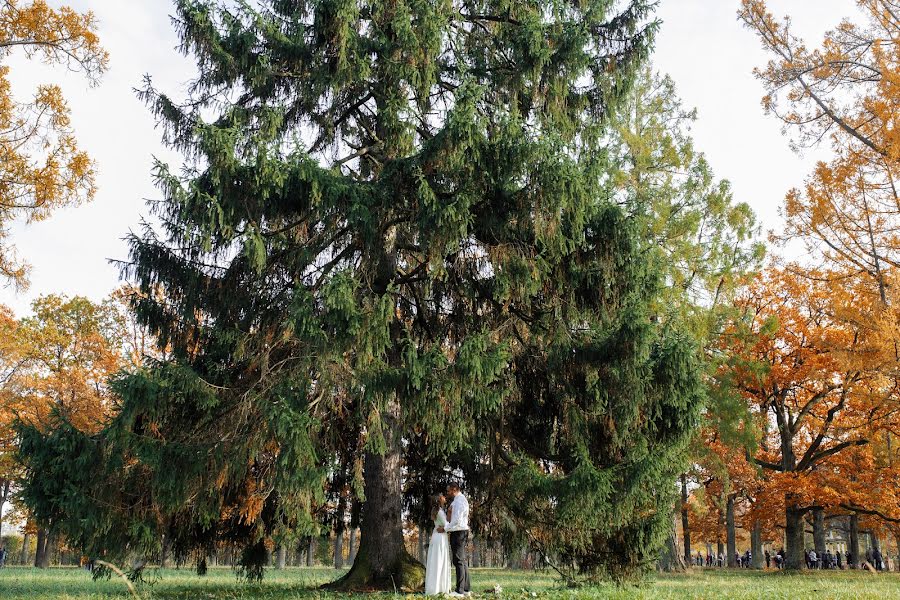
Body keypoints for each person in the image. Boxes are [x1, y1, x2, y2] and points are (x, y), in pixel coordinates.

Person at [439, 482, 470, 597]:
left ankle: (459, 590)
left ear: (454, 489)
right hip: (459, 531)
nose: (448, 493)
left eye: (449, 491)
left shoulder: (460, 501)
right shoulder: (457, 501)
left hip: (458, 532)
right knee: (461, 560)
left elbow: (456, 520)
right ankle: (466, 589)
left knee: (458, 561)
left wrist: (445, 528)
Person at [424, 494, 452, 595]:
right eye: (442, 497)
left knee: (437, 560)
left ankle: (438, 586)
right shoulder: (440, 512)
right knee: (439, 561)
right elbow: (447, 524)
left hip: (438, 536)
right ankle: (437, 588)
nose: (445, 497)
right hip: (440, 538)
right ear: (439, 500)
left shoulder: (438, 511)